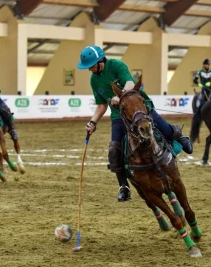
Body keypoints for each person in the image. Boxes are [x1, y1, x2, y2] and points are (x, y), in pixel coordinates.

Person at [77, 45, 192, 202]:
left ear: (100, 61)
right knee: (114, 150)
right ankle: (124, 186)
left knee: (164, 129)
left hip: (139, 109)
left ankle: (179, 137)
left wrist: (120, 96)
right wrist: (92, 122)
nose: (89, 70)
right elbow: (102, 105)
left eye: (90, 66)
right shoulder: (94, 80)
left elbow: (130, 84)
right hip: (119, 116)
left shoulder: (117, 66)